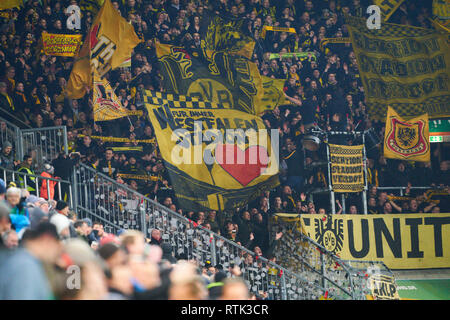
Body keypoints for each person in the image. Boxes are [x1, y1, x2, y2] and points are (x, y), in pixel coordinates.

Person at [0, 222, 61, 299]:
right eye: (57, 247)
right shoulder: (25, 266)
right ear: (47, 240)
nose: (56, 254)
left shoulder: (28, 262)